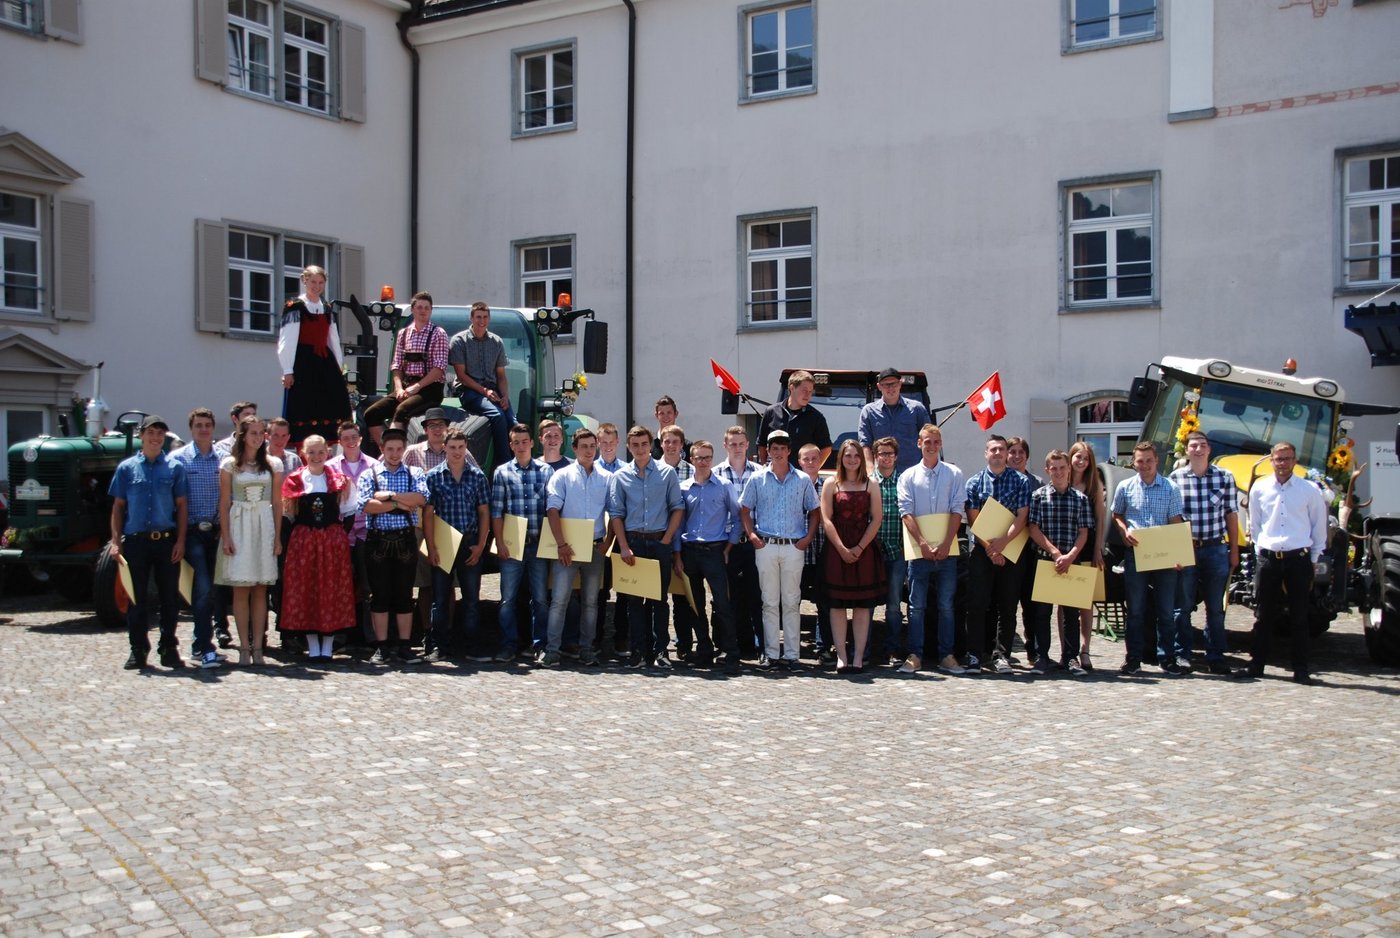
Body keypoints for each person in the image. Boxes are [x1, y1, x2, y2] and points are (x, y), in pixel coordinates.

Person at [1236, 442, 1329, 685]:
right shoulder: (1260, 488)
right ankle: (1257, 665)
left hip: (1298, 559)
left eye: (1288, 459)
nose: (1283, 463)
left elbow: (1319, 526)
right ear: (1271, 461)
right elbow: (1255, 523)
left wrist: (1313, 558)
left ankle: (1300, 669)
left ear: (1295, 461)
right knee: (1264, 615)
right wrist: (1261, 551)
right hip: (1269, 559)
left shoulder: (1309, 490)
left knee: (1300, 617)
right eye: (1279, 459)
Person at [108, 415, 188, 670]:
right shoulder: (127, 468)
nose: (155, 438)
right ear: (142, 435)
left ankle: (168, 647)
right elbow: (118, 507)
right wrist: (115, 541)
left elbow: (182, 507)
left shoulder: (175, 468)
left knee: (169, 599)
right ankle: (138, 649)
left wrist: (181, 541)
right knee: (136, 598)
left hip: (166, 540)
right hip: (136, 542)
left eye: (160, 434)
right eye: (151, 433)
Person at [739, 429, 820, 669]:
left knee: (792, 601)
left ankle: (792, 654)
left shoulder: (803, 479)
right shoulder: (757, 479)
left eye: (782, 448)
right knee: (769, 602)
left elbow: (815, 511)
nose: (778, 452)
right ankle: (772, 653)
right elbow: (744, 509)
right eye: (774, 448)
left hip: (793, 547)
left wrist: (807, 538)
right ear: (769, 451)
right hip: (766, 545)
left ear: (789, 451)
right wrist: (752, 534)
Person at [608, 426, 684, 669]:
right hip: (633, 544)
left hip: (659, 542)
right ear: (629, 447)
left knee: (660, 600)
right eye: (635, 445)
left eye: (644, 444)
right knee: (634, 602)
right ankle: (639, 651)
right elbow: (616, 514)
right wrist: (623, 546)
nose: (640, 449)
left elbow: (677, 508)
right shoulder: (620, 476)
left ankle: (661, 651)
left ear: (651, 445)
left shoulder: (666, 473)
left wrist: (667, 540)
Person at [1111, 441, 1186, 676]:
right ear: (1134, 462)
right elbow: (1117, 514)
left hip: (1163, 554)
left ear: (1157, 461)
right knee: (1135, 610)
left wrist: (1178, 554)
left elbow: (1176, 523)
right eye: (1140, 461)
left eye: (1148, 461)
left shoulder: (1170, 488)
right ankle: (1133, 658)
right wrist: (1124, 531)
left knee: (1165, 610)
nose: (1144, 465)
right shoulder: (1125, 486)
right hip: (1137, 553)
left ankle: (1167, 658)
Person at [897, 424, 966, 675]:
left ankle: (946, 656)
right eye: (927, 442)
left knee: (947, 605)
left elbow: (957, 509)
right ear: (919, 444)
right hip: (919, 551)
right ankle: (915, 654)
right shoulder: (908, 476)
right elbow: (906, 513)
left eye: (936, 442)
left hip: (947, 550)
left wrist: (947, 542)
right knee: (916, 606)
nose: (932, 446)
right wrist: (923, 544)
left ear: (941, 444)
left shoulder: (954, 474)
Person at [279, 435, 355, 662]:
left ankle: (328, 644)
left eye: (320, 452)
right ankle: (312, 644)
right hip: (304, 540)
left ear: (327, 453)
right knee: (307, 588)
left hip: (331, 540)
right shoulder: (295, 480)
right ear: (303, 453)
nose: (316, 456)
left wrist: (338, 537)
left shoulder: (339, 480)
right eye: (311, 452)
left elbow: (349, 512)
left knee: (330, 589)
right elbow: (288, 516)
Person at [215, 415, 283, 667]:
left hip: (263, 523)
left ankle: (258, 647)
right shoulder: (230, 465)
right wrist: (226, 535)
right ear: (243, 435)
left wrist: (277, 537)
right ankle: (244, 645)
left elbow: (277, 503)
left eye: (261, 433)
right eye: (253, 432)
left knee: (260, 589)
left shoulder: (273, 464)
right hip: (240, 522)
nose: (258, 437)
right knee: (241, 589)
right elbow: (224, 503)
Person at [1170, 431, 1241, 675]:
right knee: (1183, 606)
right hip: (1186, 548)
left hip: (1215, 548)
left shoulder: (1225, 477)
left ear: (1209, 449)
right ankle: (1183, 655)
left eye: (1202, 445)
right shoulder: (1176, 478)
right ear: (1187, 450)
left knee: (1215, 606)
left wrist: (1234, 550)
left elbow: (1231, 514)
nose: (1198, 450)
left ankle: (1216, 656)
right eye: (1193, 446)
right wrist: (1175, 552)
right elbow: (1172, 518)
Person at [357, 427, 429, 665]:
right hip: (378, 538)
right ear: (382, 449)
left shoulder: (414, 471)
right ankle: (381, 646)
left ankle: (405, 646)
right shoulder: (370, 474)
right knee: (379, 595)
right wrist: (401, 503)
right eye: (390, 449)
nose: (395, 454)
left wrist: (388, 497)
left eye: (399, 449)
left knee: (404, 594)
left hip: (405, 538)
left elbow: (420, 499)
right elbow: (366, 505)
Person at [541, 427, 612, 668]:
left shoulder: (606, 478)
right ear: (574, 449)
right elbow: (552, 510)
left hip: (594, 547)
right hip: (567, 548)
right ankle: (552, 650)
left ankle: (586, 649)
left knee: (591, 602)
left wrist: (608, 544)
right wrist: (560, 544)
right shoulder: (562, 476)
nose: (589, 451)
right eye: (584, 447)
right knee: (559, 599)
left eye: (593, 446)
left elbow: (615, 513)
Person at [422, 428, 492, 663]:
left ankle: (472, 646)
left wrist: (481, 544)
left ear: (466, 448)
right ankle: (439, 645)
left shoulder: (477, 476)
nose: (457, 452)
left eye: (461, 447)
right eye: (452, 447)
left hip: (470, 541)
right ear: (445, 448)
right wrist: (431, 547)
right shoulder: (433, 476)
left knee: (472, 598)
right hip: (443, 542)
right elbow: (428, 515)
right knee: (440, 598)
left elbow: (484, 513)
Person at [673, 439, 743, 673]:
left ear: (712, 459)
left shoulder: (724, 486)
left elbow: (737, 518)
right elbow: (679, 524)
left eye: (707, 457)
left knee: (723, 604)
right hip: (690, 551)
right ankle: (704, 649)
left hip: (715, 551)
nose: (703, 462)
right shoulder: (683, 488)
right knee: (695, 606)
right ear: (691, 460)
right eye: (698, 458)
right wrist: (677, 555)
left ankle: (731, 652)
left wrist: (729, 547)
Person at [965, 435, 1031, 674]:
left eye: (1002, 449)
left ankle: (1001, 655)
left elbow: (1022, 516)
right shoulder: (974, 482)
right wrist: (991, 549)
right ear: (986, 453)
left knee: (1007, 605)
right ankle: (974, 654)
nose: (998, 453)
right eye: (993, 449)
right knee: (977, 604)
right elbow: (973, 518)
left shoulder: (1021, 481)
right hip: (982, 552)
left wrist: (1003, 543)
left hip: (1011, 549)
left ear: (1006, 453)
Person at [821, 439, 885, 673]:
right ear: (841, 458)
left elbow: (876, 518)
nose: (852, 459)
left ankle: (858, 657)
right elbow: (826, 518)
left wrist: (859, 548)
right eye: (848, 455)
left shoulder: (872, 485)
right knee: (837, 606)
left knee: (861, 606)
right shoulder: (831, 483)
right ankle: (841, 656)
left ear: (861, 458)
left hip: (864, 549)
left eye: (856, 456)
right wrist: (840, 547)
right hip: (836, 549)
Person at [1026, 450, 1093, 675]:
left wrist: (1070, 556)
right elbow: (1033, 529)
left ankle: (1071, 658)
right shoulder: (1038, 496)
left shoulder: (1080, 499)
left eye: (1062, 467)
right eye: (1053, 468)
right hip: (1047, 561)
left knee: (1070, 614)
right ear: (1047, 470)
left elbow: (1084, 532)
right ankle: (1042, 657)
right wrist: (1055, 553)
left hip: (1071, 562)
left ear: (1068, 469)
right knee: (1042, 613)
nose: (1058, 472)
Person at [491, 423, 553, 661]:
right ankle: (509, 644)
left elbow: (552, 510)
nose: (520, 446)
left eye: (523, 441)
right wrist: (500, 544)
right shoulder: (502, 472)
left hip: (538, 544)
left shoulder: (546, 471)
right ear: (511, 444)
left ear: (531, 443)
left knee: (540, 599)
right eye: (515, 442)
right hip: (512, 545)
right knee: (508, 599)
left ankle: (539, 644)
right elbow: (497, 512)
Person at [170, 408, 224, 669]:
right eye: (198, 425)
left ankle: (201, 643)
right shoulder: (178, 459)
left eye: (207, 425)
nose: (203, 429)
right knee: (201, 588)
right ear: (191, 429)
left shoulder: (223, 459)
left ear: (213, 429)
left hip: (215, 531)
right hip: (190, 532)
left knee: (211, 590)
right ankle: (203, 647)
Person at [364, 291, 449, 451]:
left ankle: (396, 455)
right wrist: (398, 388)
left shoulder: (438, 334)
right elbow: (396, 365)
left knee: (402, 410)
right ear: (413, 309)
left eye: (426, 308)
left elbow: (438, 369)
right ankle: (388, 453)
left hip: (429, 389)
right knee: (371, 414)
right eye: (419, 307)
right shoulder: (403, 334)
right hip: (406, 386)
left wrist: (416, 387)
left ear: (430, 311)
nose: (423, 311)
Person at [278, 264, 350, 445]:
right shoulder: (295, 307)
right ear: (304, 281)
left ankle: (327, 446)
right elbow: (287, 339)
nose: (316, 286)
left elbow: (333, 339)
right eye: (312, 282)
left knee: (332, 405)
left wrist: (339, 367)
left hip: (325, 361)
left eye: (320, 282)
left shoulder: (326, 308)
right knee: (304, 407)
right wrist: (288, 369)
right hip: (303, 362)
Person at [327, 421, 378, 645]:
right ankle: (340, 633)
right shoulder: (331, 467)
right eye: (345, 438)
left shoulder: (374, 465)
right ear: (340, 442)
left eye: (353, 437)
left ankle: (371, 634)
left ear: (360, 439)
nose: (350, 441)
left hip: (367, 530)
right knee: (341, 584)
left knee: (370, 585)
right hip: (341, 532)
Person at [448, 300, 514, 466]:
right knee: (497, 416)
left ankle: (521, 463)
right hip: (470, 391)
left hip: (493, 392)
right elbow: (461, 376)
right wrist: (485, 392)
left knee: (515, 423)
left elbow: (501, 376)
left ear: (489, 319)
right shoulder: (459, 341)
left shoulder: (497, 342)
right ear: (471, 318)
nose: (482, 320)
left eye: (485, 317)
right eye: (478, 317)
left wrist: (505, 396)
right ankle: (504, 464)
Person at [716, 425, 763, 658]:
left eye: (741, 443)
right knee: (727, 597)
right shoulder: (715, 474)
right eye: (732, 444)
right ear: (725, 445)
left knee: (757, 596)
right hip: (726, 544)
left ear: (747, 445)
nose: (737, 447)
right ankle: (728, 645)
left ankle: (757, 645)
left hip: (754, 542)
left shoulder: (760, 473)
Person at [1067, 441, 1106, 671]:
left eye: (1085, 458)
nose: (1081, 461)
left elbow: (1100, 520)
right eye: (1077, 457)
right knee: (1065, 602)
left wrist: (1098, 548)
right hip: (1065, 546)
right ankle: (1066, 650)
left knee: (1085, 602)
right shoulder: (1063, 482)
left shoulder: (1094, 486)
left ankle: (1085, 649)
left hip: (1088, 546)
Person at [870, 437, 907, 667]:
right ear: (875, 456)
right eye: (882, 453)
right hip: (871, 552)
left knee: (894, 605)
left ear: (896, 457)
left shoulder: (904, 482)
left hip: (898, 551)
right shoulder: (867, 482)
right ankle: (864, 648)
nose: (886, 457)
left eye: (890, 454)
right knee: (867, 602)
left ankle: (893, 648)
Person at [1006, 436, 1042, 665]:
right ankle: (1004, 651)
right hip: (1008, 548)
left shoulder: (1037, 482)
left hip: (1030, 549)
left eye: (1021, 452)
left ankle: (1034, 651)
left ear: (1027, 456)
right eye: (1013, 452)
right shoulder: (1003, 480)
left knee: (1031, 605)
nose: (1017, 456)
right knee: (1006, 604)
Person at [797, 442, 831, 662]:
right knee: (790, 603)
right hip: (797, 553)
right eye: (806, 459)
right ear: (799, 461)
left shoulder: (828, 486)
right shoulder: (792, 485)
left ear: (820, 461)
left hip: (821, 552)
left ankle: (823, 647)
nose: (810, 463)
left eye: (814, 459)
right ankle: (793, 649)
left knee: (824, 603)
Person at [859, 368, 930, 473]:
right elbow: (865, 444)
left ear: (900, 384)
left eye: (894, 384)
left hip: (913, 473)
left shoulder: (916, 409)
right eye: (886, 385)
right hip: (882, 475)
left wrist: (928, 468)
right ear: (879, 387)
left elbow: (928, 439)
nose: (890, 388)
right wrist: (870, 470)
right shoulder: (869, 411)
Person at [756, 370, 832, 467]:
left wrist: (812, 469)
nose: (808, 395)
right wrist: (764, 467)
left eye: (810, 392)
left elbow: (826, 448)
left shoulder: (816, 417)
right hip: (774, 475)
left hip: (800, 477)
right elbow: (762, 443)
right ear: (792, 388)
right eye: (804, 391)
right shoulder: (771, 412)